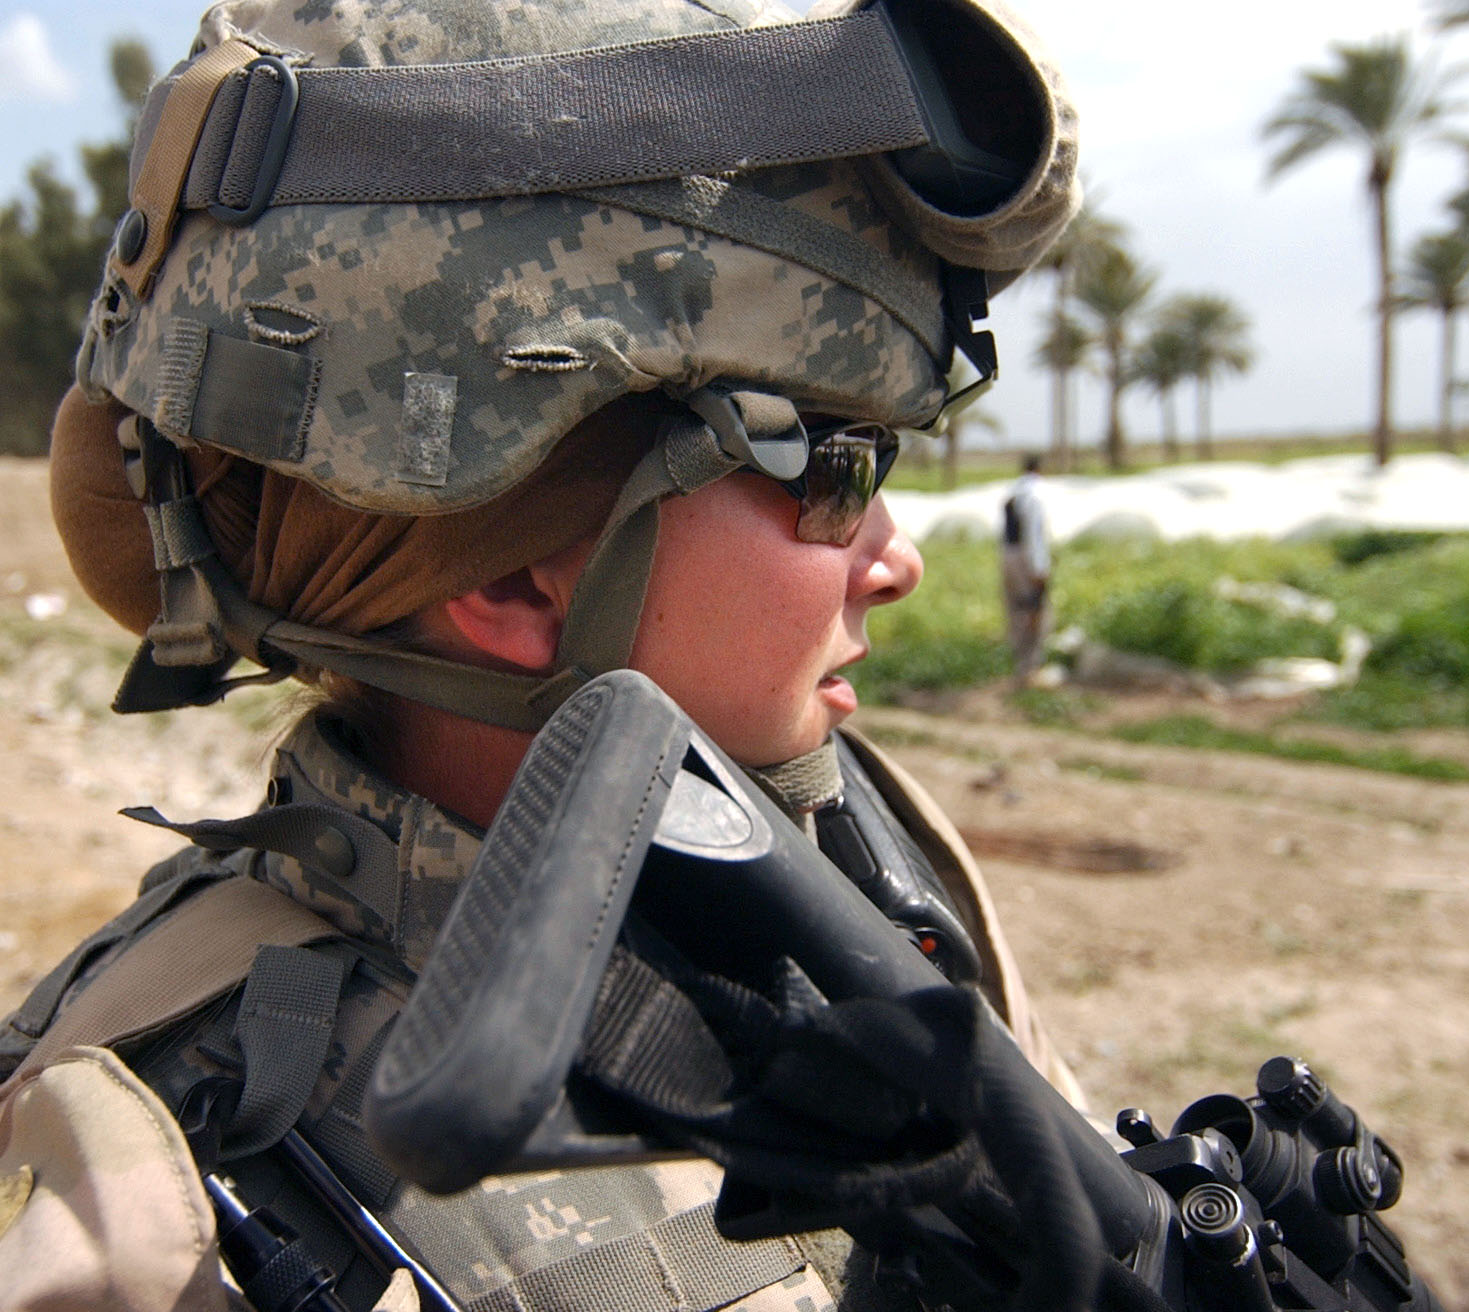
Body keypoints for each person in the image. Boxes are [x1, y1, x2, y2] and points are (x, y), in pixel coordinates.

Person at [0, 0, 1084, 1308]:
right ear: (515, 573)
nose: (895, 558)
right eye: (835, 470)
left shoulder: (859, 860)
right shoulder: (149, 1211)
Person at [1001, 455, 1052, 683]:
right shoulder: (1036, 493)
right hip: (1026, 558)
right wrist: (1039, 569)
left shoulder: (1014, 490)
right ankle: (1031, 668)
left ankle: (1020, 665)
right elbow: (1035, 535)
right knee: (1035, 611)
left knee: (1016, 611)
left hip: (1008, 556)